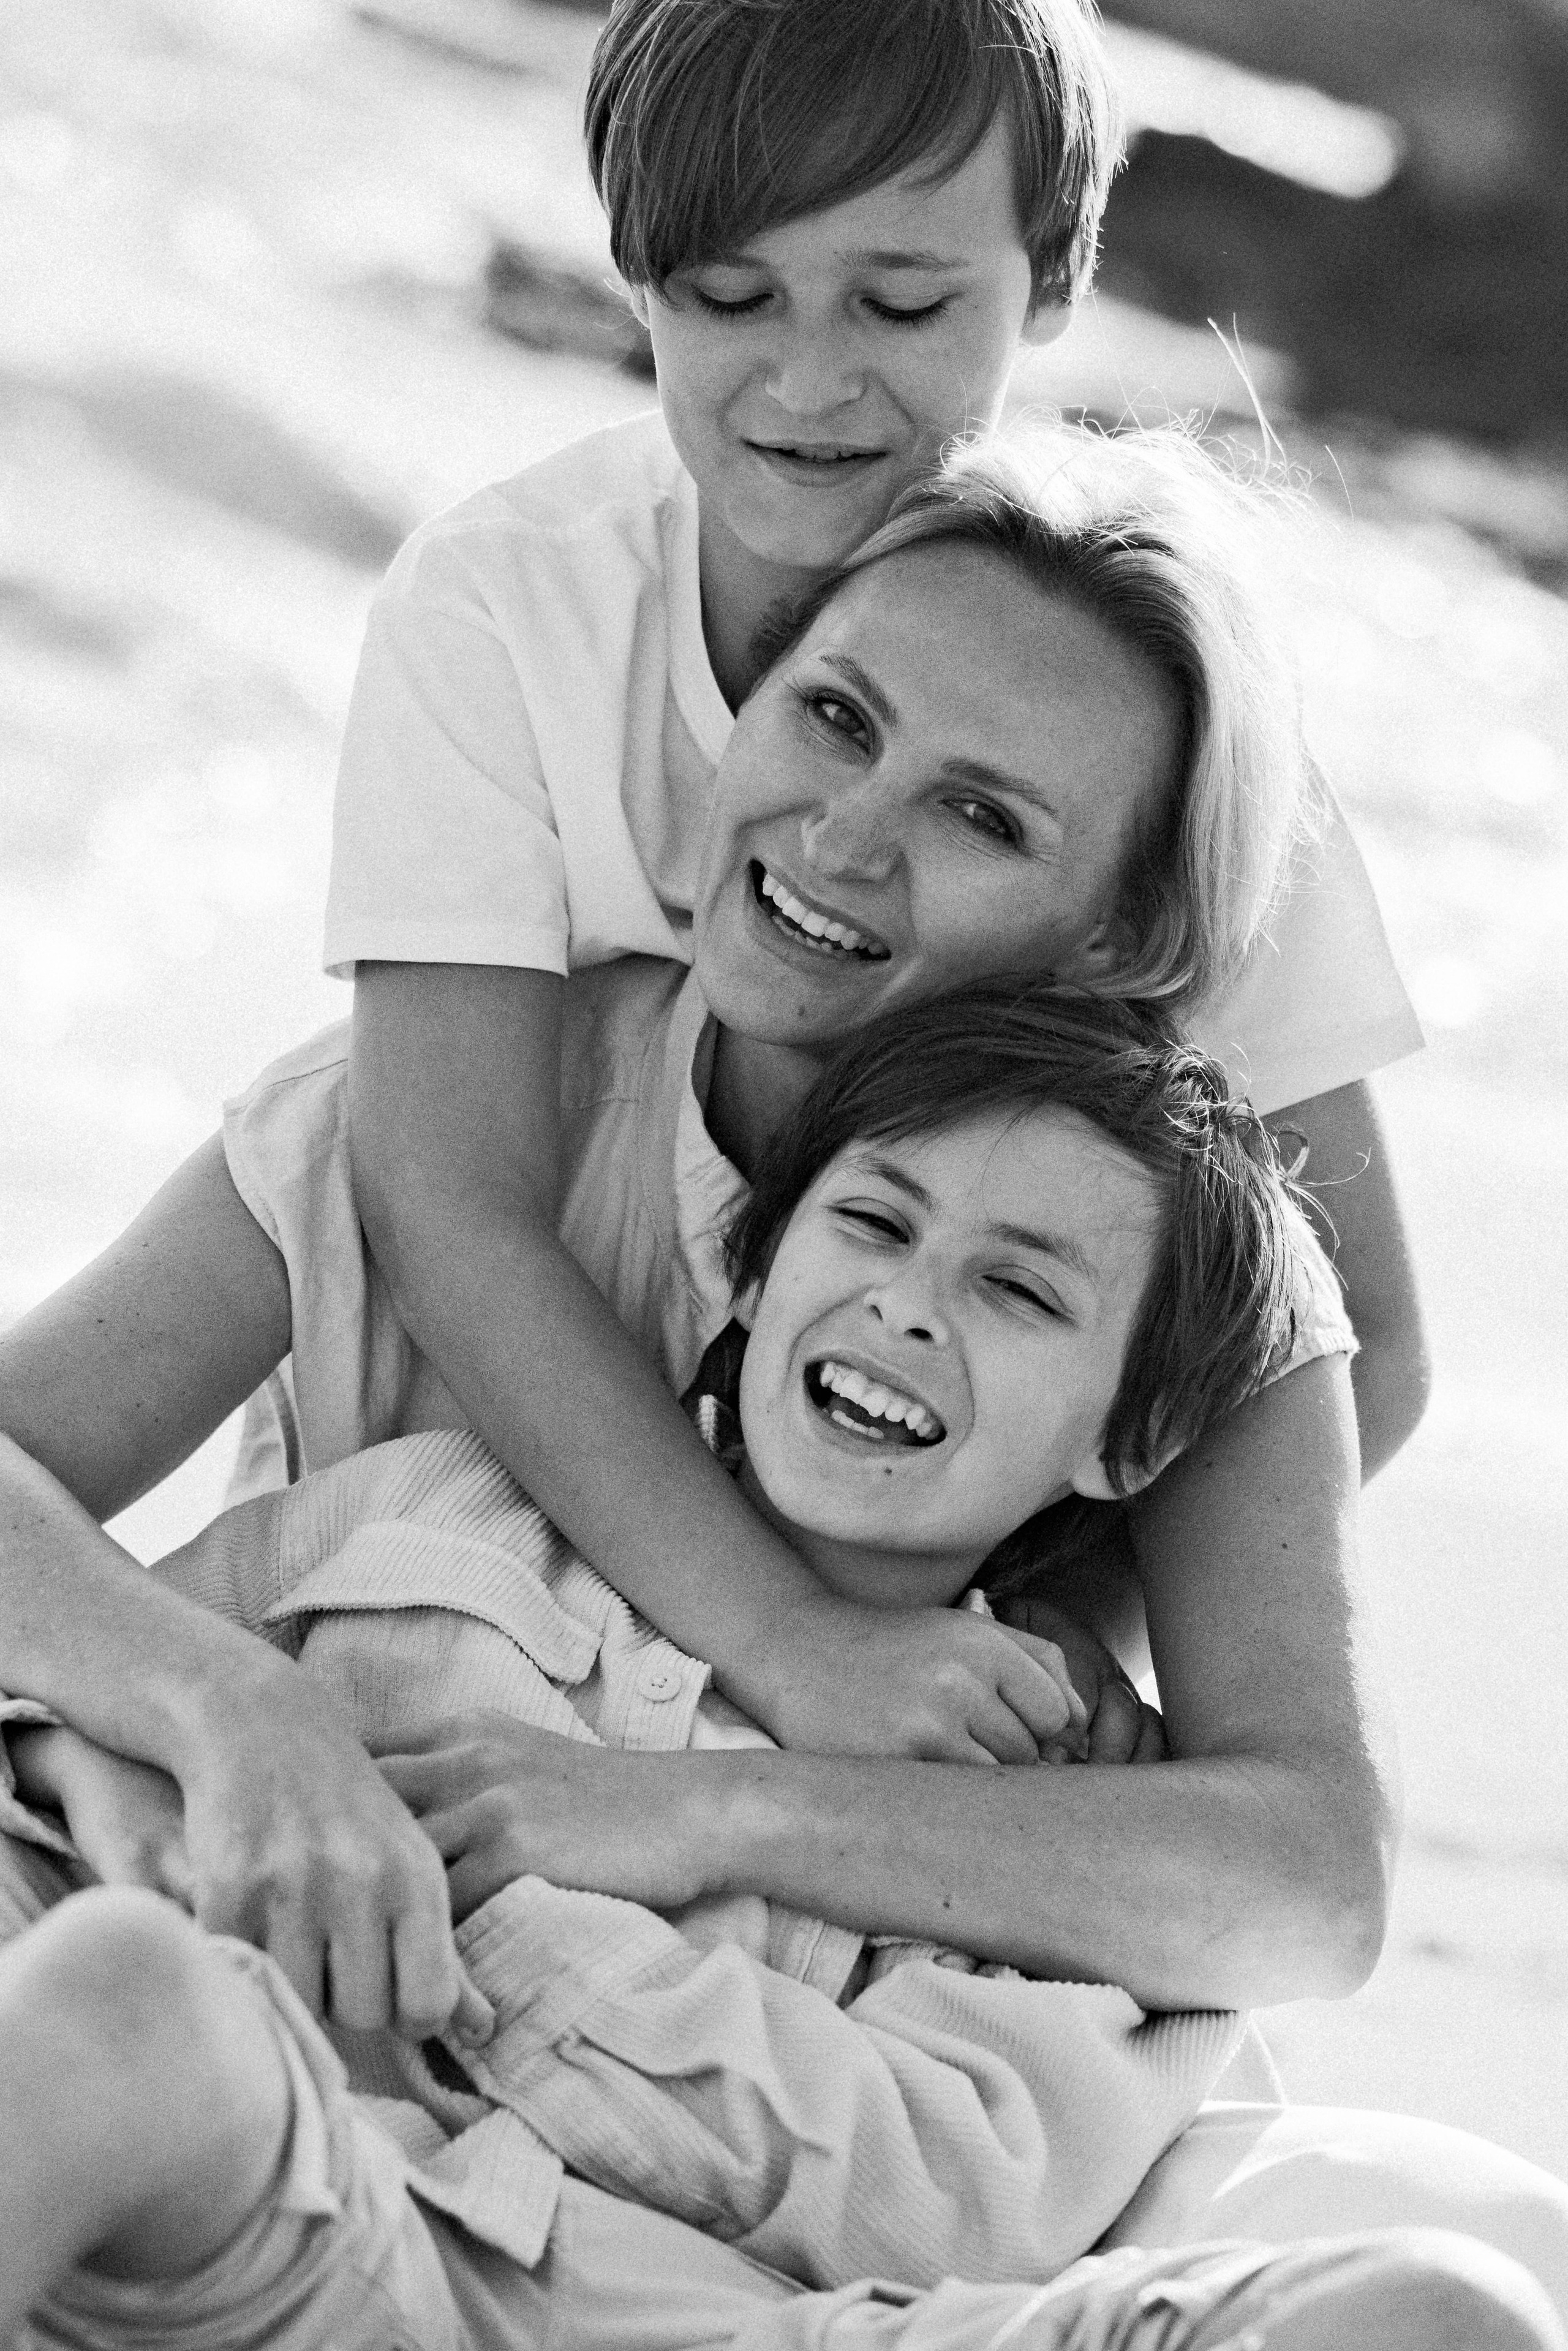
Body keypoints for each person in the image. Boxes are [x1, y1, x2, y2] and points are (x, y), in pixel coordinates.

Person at [5, 433, 1568, 2323]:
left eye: (984, 815)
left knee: (1457, 2286)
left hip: (745, 2222)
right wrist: (225, 1718)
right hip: (293, 2121)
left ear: (1120, 934)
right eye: (833, 716)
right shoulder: (448, 1146)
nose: (841, 837)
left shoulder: (1178, 1291)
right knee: (116, 1997)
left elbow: (1307, 1881)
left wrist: (707, 1805)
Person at [1, 989, 1558, 2351]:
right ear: (750, 1275)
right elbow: (63, 1714)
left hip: (734, 2324)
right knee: (124, 1989)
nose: (905, 1305)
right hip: (305, 2213)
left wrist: (492, 1910)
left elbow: (928, 2205)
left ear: (1128, 1441)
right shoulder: (424, 1511)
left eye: (1017, 1289)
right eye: (873, 1223)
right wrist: (116, 1765)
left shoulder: (1070, 1805)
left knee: (1441, 2312)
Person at [321, 0, 1427, 1816]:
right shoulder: (512, 608)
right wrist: (784, 1639)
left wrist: (1024, 1626)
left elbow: (1346, 1321)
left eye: (900, 305)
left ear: (1052, 274)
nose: (810, 385)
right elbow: (449, 1204)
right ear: (637, 273)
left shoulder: (1170, 720)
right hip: (482, 1540)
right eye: (727, 295)